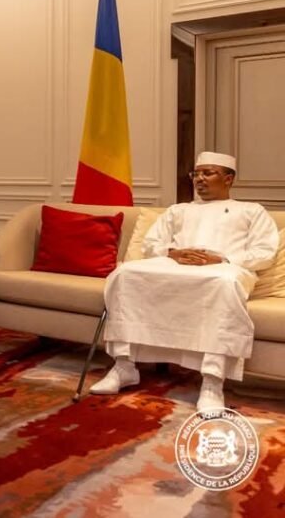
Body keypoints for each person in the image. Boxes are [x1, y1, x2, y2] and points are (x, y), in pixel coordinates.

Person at [90, 151, 279, 411]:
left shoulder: (251, 211)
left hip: (225, 268)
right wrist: (173, 253)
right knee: (124, 275)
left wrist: (221, 258)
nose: (199, 179)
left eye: (208, 173)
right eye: (196, 174)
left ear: (228, 179)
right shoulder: (178, 210)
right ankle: (124, 366)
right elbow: (152, 243)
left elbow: (264, 252)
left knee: (223, 284)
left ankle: (212, 382)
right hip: (176, 264)